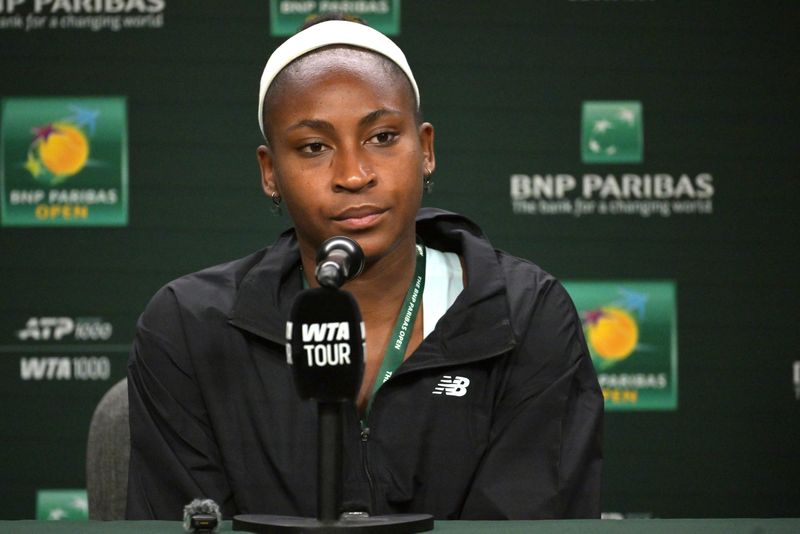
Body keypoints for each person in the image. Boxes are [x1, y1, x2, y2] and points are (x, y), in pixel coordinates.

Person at [126, 16, 603, 521]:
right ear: (270, 173)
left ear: (426, 150)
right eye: (314, 147)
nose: (353, 175)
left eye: (382, 136)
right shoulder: (188, 329)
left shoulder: (526, 315)